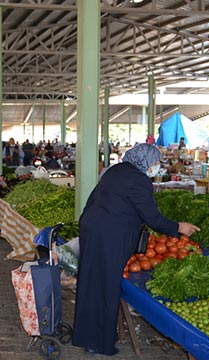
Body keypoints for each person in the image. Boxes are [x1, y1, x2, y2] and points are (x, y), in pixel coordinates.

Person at [72, 143, 200, 356]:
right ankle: (99, 343)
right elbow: (153, 218)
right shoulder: (139, 181)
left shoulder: (116, 170)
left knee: (90, 281)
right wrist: (179, 227)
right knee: (107, 286)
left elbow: (93, 200)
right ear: (146, 161)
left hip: (93, 228)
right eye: (156, 162)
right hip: (110, 236)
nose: (157, 166)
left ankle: (87, 336)